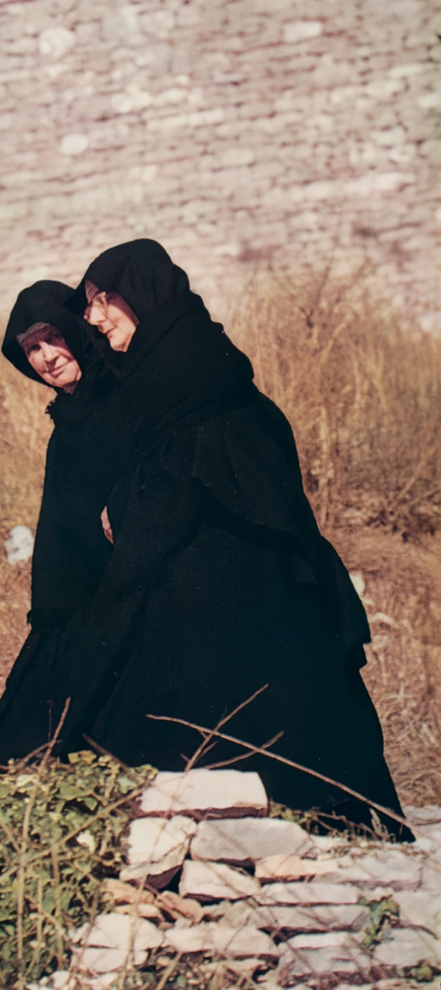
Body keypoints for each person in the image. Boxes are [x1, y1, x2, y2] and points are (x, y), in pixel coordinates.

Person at [62, 239, 411, 840]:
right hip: (199, 586)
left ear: (142, 297)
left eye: (103, 299)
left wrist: (129, 519)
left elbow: (191, 474)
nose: (92, 318)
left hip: (234, 587)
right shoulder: (156, 369)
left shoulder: (189, 368)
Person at [0, 280, 119, 767]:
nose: (46, 357)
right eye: (31, 348)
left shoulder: (123, 397)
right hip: (72, 604)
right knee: (9, 746)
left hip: (123, 595)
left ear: (77, 330)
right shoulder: (68, 419)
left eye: (51, 337)